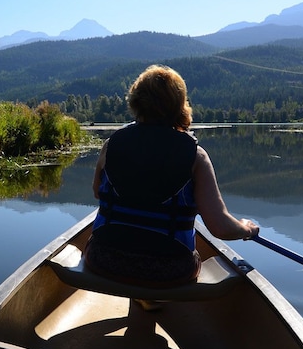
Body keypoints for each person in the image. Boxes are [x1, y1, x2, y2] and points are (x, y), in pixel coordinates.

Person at [84, 64, 259, 299]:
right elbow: (219, 227)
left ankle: (142, 302)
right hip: (169, 271)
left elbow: (98, 192)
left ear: (136, 101)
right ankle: (148, 300)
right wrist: (246, 229)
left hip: (102, 260)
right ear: (179, 106)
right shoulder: (195, 156)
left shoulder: (111, 144)